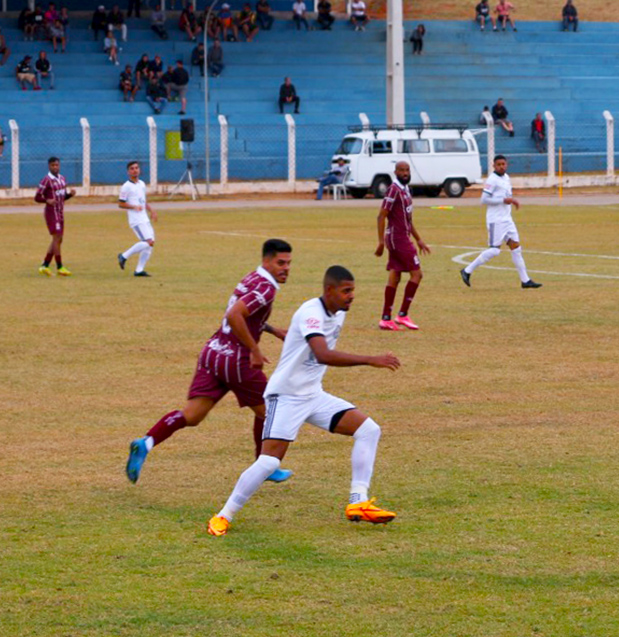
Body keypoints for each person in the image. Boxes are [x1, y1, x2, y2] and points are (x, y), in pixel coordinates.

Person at [206, 265, 402, 537]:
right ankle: (222, 516)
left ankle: (358, 503)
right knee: (269, 462)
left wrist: (276, 329)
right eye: (346, 291)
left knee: (368, 430)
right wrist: (370, 359)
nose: (351, 296)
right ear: (329, 290)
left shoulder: (338, 313)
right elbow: (322, 354)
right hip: (285, 396)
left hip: (313, 395)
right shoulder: (312, 312)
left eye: (353, 290)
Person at [126, 240, 297, 486]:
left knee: (192, 415)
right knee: (269, 412)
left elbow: (243, 314)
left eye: (289, 263)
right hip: (235, 359)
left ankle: (146, 443)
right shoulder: (266, 288)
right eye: (281, 263)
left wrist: (272, 329)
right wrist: (255, 349)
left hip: (213, 351)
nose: (286, 268)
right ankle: (265, 465)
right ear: (267, 261)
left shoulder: (252, 278)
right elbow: (235, 314)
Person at [459, 155, 541, 289]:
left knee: (516, 247)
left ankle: (525, 281)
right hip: (495, 220)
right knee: (494, 251)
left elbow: (506, 197)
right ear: (494, 166)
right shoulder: (492, 180)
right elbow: (484, 200)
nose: (502, 166)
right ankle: (467, 270)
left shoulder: (506, 178)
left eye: (504, 164)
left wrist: (510, 201)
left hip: (507, 219)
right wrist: (503, 201)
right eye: (499, 164)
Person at [376, 161, 432, 331]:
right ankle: (402, 315)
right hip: (397, 238)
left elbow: (408, 219)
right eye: (401, 170)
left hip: (402, 236)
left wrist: (419, 239)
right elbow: (381, 216)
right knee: (417, 274)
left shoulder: (406, 190)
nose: (405, 173)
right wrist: (380, 242)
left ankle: (386, 318)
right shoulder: (394, 189)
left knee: (396, 275)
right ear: (395, 172)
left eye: (407, 170)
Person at [34, 157, 75, 276]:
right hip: (51, 213)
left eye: (57, 165)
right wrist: (47, 200)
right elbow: (37, 197)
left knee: (58, 240)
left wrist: (70, 195)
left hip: (60, 212)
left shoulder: (62, 179)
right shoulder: (46, 180)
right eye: (53, 165)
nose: (55, 167)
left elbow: (62, 197)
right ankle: (59, 266)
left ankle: (45, 265)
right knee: (57, 238)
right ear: (49, 166)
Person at [117, 161, 156, 277]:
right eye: (132, 168)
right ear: (128, 172)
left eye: (137, 168)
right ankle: (124, 256)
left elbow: (143, 201)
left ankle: (139, 270)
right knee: (149, 242)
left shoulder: (142, 184)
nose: (135, 170)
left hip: (144, 218)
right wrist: (134, 207)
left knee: (150, 244)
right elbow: (120, 204)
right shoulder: (126, 187)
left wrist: (151, 210)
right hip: (136, 220)